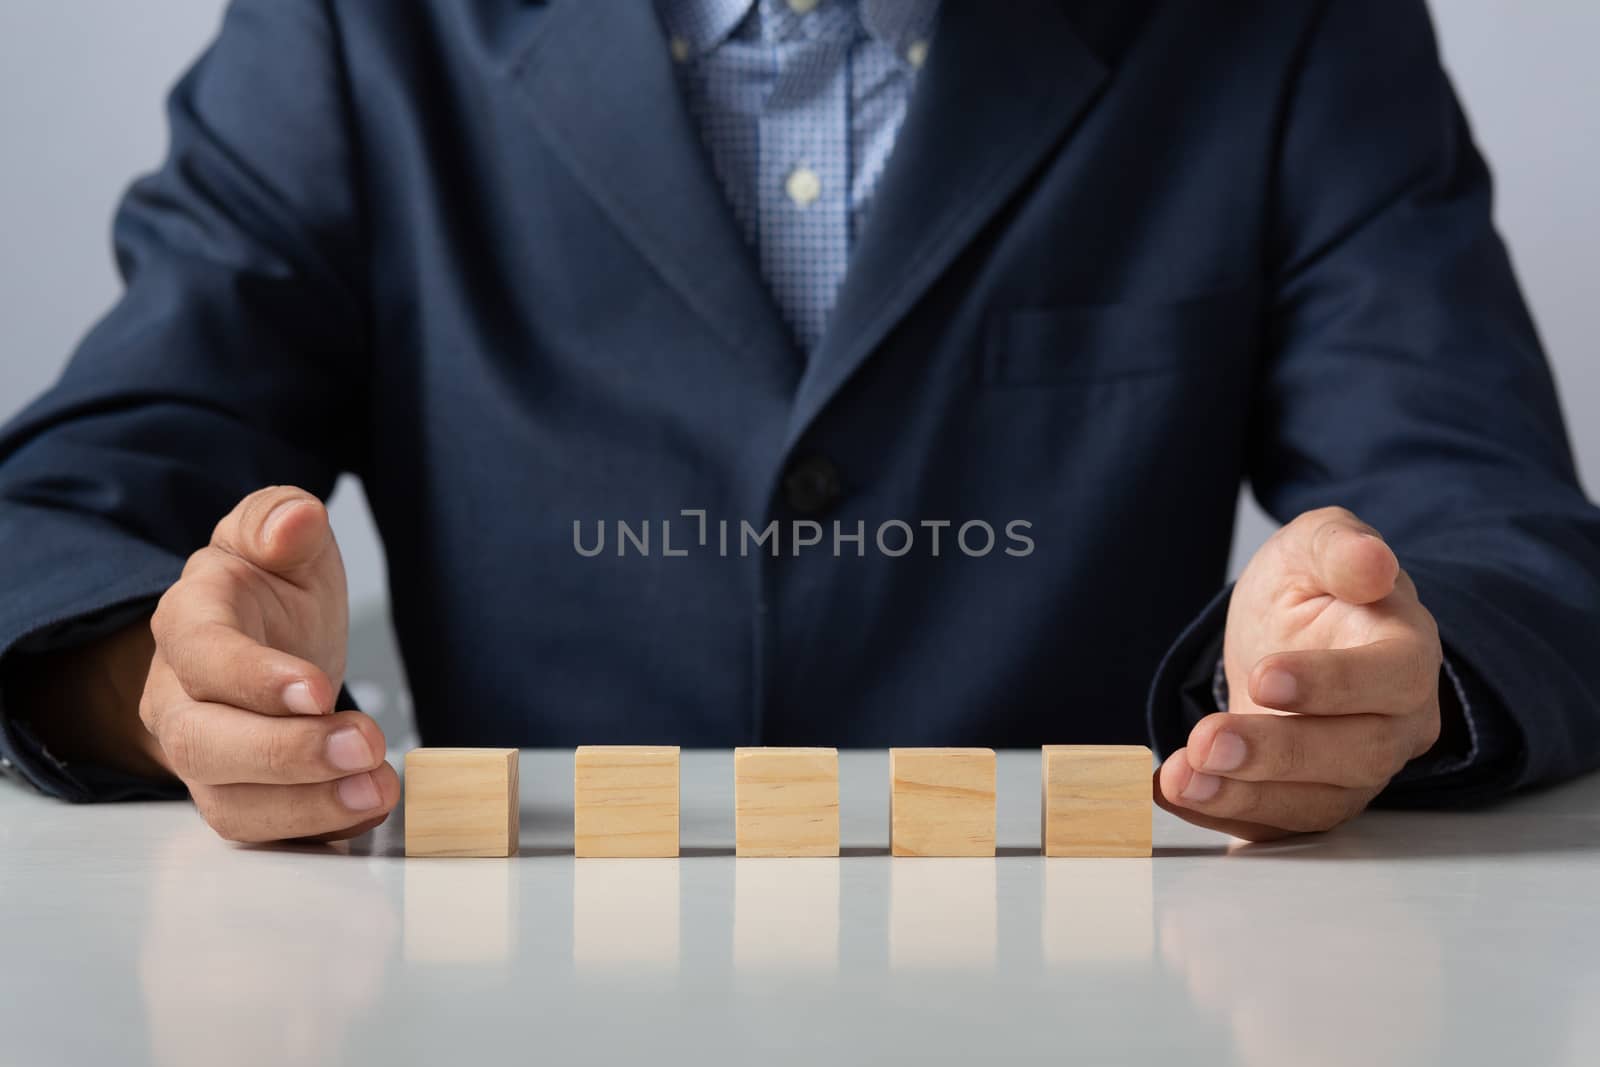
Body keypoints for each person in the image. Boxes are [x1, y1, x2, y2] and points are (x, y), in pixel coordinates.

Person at [2, 0, 1597, 846]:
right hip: (515, 992)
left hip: (1106, 992)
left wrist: (1381, 682)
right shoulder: (358, 31)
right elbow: (61, 511)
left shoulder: (1287, 27)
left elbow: (1507, 541)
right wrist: (163, 684)